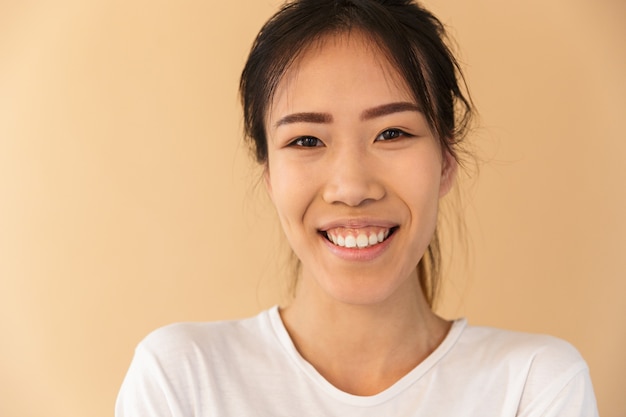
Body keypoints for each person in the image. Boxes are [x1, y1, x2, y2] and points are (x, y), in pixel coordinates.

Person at [115, 0, 598, 415]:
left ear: (446, 160)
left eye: (393, 133)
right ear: (269, 175)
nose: (351, 187)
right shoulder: (180, 379)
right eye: (306, 139)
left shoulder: (535, 387)